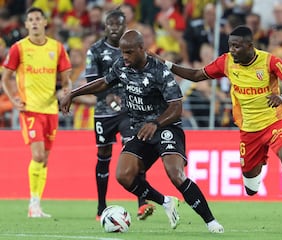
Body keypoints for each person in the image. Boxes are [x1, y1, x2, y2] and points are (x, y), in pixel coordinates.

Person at [155, 25, 282, 234]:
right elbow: (197, 75)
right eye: (230, 46)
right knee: (251, 189)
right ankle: (259, 163)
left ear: (249, 46)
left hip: (275, 123)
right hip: (249, 132)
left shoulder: (270, 61)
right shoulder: (226, 62)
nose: (232, 50)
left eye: (236, 46)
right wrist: (166, 64)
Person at [60, 29, 224, 233]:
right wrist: (73, 94)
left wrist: (156, 122)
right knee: (124, 176)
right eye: (122, 52)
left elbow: (176, 107)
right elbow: (103, 82)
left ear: (141, 49)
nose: (124, 57)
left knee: (175, 174)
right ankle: (165, 202)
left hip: (166, 128)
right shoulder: (121, 65)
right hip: (141, 131)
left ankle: (211, 222)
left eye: (129, 52)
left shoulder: (160, 71)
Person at [84, 8, 156, 221]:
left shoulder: (132, 49)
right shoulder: (95, 50)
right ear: (105, 26)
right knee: (104, 156)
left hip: (129, 111)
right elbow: (91, 81)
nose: (114, 28)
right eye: (111, 24)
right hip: (104, 114)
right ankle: (100, 206)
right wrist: (106, 96)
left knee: (133, 153)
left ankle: (142, 203)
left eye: (118, 24)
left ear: (126, 26)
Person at [1, 7, 72, 217]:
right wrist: (14, 99)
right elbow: (5, 78)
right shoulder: (18, 48)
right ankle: (33, 203)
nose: (33, 22)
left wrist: (66, 88)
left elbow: (66, 76)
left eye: (37, 19)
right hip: (30, 109)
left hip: (50, 109)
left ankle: (36, 205)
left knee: (45, 159)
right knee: (38, 155)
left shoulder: (57, 48)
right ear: (26, 25)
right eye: (30, 19)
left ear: (44, 22)